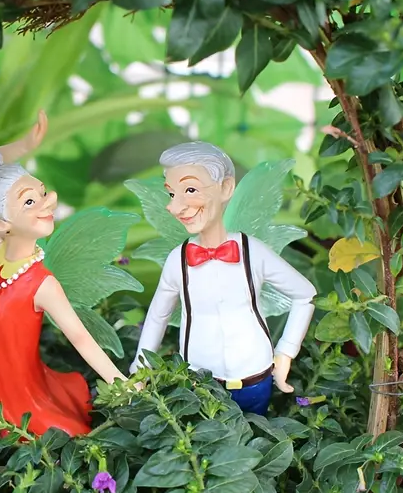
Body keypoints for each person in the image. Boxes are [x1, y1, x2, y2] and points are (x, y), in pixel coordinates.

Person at [0, 112, 131, 459]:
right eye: (29, 202)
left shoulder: (13, 262)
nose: (48, 202)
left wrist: (119, 382)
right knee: (65, 442)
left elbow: (79, 336)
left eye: (42, 192)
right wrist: (21, 146)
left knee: (70, 438)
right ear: (1, 222)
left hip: (22, 389)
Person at [130, 141, 316, 415]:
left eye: (190, 190)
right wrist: (141, 369)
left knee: (255, 443)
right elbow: (157, 316)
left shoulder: (252, 252)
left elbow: (304, 294)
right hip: (201, 388)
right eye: (172, 194)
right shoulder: (178, 261)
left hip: (256, 381)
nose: (176, 207)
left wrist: (286, 351)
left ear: (226, 188)